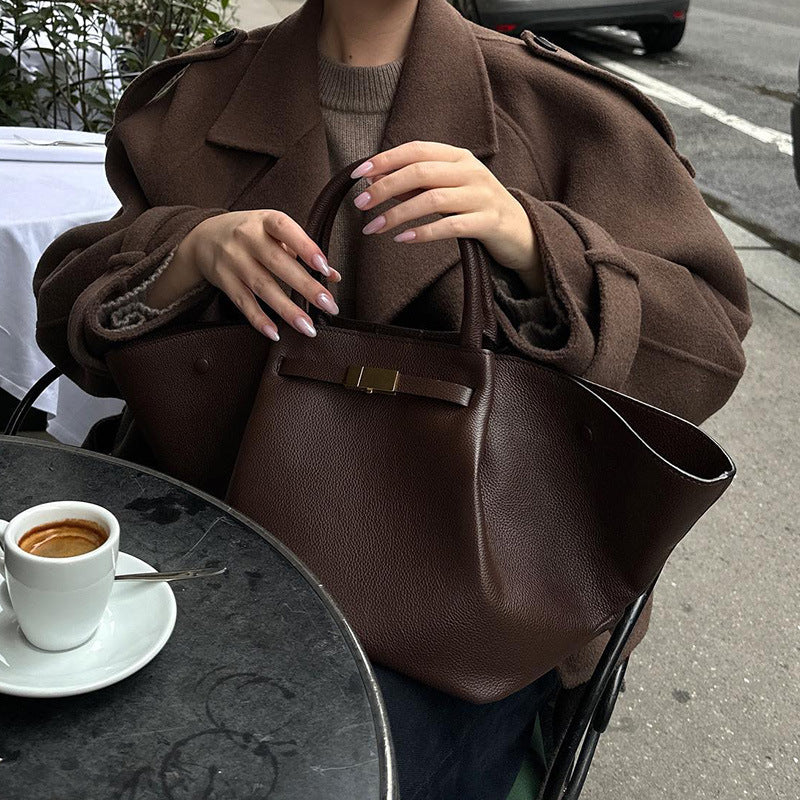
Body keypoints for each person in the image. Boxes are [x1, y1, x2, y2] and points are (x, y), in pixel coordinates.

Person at [33, 0, 752, 796]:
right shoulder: (193, 102)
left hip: (481, 592)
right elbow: (68, 327)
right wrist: (187, 252)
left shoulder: (572, 113)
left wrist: (535, 246)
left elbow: (705, 352)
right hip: (211, 552)